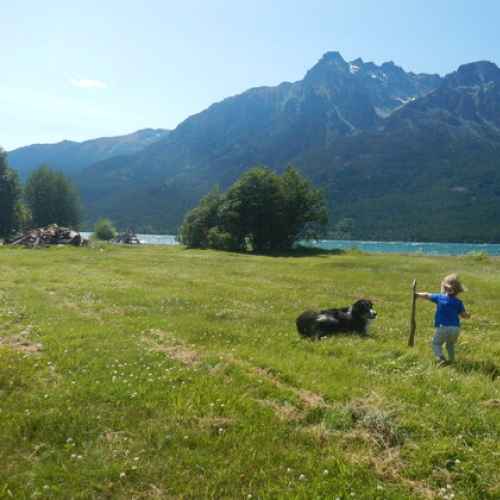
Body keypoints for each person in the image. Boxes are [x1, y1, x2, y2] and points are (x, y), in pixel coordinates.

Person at [415, 274, 471, 363]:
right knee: (450, 345)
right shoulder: (458, 302)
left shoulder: (440, 297)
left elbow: (428, 295)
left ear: (445, 288)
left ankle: (441, 358)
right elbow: (463, 315)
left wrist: (417, 294)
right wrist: (468, 315)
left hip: (443, 328)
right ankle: (451, 360)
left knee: (436, 343)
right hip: (455, 329)